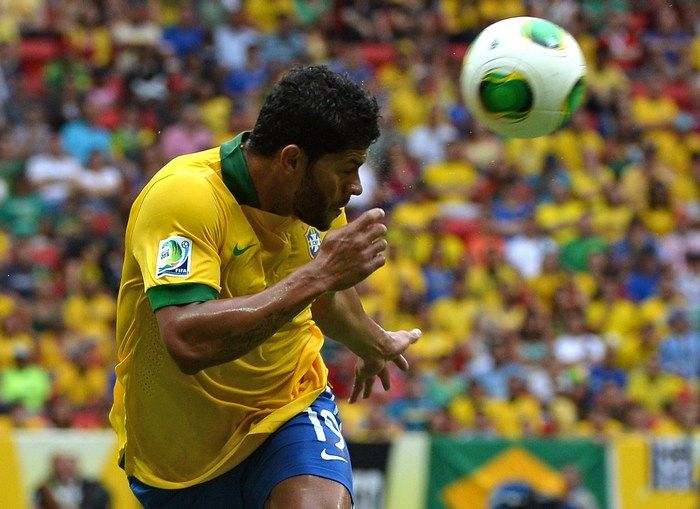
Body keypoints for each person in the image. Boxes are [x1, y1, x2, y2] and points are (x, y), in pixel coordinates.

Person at [109, 65, 421, 509]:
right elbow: (186, 339)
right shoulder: (185, 197)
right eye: (347, 168)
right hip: (178, 460)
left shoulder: (315, 201)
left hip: (289, 408)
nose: (355, 187)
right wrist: (318, 275)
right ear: (292, 160)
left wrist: (374, 342)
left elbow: (327, 300)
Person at [34, 452, 110, 509]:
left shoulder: (93, 487)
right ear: (54, 465)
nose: (65, 466)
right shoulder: (44, 489)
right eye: (61, 463)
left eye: (69, 462)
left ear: (76, 464)